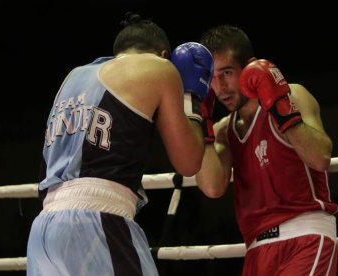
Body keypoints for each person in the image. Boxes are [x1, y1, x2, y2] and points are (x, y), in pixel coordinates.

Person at [26, 12, 214, 276]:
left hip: (43, 231)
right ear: (162, 54)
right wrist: (192, 98)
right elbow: (189, 161)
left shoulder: (72, 77)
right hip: (97, 222)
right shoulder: (160, 68)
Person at [196, 24, 338, 275]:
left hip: (304, 237)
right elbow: (212, 186)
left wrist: (280, 107)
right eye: (212, 78)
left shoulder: (293, 94)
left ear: (249, 67)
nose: (220, 87)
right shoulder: (223, 130)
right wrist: (202, 120)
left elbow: (321, 157)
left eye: (227, 73)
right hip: (256, 251)